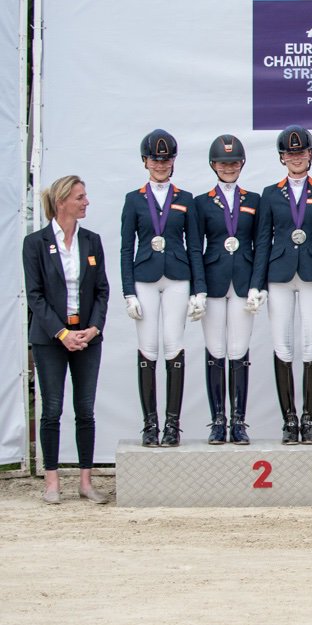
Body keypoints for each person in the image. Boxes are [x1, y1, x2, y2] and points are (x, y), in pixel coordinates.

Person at [23, 176, 109, 503]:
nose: (86, 202)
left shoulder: (91, 241)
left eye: (85, 196)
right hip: (50, 339)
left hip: (87, 337)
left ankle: (85, 482)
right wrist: (61, 333)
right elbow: (35, 296)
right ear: (62, 202)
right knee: (52, 409)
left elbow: (101, 290)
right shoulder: (35, 243)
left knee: (85, 409)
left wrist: (94, 328)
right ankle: (51, 482)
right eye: (80, 197)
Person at [120, 130, 206, 448]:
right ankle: (149, 424)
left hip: (177, 278)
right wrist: (128, 291)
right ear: (145, 161)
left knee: (173, 345)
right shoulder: (134, 199)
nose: (160, 164)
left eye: (166, 159)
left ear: (173, 161)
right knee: (148, 347)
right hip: (144, 277)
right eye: (155, 159)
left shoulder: (185, 199)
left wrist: (199, 290)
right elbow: (125, 248)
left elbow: (194, 247)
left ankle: (172, 425)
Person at [249, 125, 312, 444]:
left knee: (311, 344)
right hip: (279, 274)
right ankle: (289, 419)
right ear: (282, 157)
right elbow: (262, 241)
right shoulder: (270, 194)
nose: (296, 158)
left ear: (310, 154)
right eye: (290, 153)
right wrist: (257, 284)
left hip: (311, 272)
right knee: (282, 345)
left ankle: (309, 419)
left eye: (301, 152)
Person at [194, 135, 260, 445]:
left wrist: (258, 285)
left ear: (241, 164)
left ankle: (239, 421)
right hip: (214, 280)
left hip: (244, 281)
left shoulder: (254, 200)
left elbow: (261, 245)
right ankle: (218, 420)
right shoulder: (201, 202)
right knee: (215, 350)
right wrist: (198, 288)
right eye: (223, 163)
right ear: (213, 165)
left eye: (233, 163)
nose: (229, 168)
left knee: (239, 350)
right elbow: (195, 248)